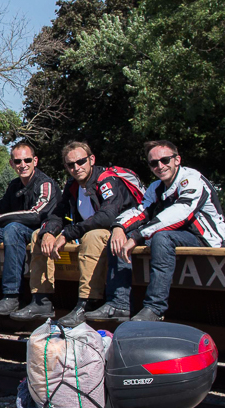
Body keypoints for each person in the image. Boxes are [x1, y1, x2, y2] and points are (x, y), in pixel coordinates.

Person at [11, 140, 144, 326]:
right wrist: (49, 231)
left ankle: (87, 302)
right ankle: (41, 300)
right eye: (70, 164)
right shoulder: (73, 184)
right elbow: (58, 212)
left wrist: (67, 234)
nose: (76, 167)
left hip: (120, 232)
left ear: (91, 159)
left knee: (93, 236)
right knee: (38, 235)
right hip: (88, 231)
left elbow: (107, 216)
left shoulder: (107, 180)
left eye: (80, 162)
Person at [110, 140, 225, 321]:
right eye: (153, 163)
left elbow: (180, 214)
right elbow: (141, 212)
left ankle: (154, 309)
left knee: (161, 237)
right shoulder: (156, 187)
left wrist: (138, 236)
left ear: (177, 160)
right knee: (119, 238)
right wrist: (118, 228)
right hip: (178, 235)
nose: (160, 166)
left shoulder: (192, 179)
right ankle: (119, 305)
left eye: (165, 160)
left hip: (207, 238)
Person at [0, 141, 56, 315]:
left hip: (40, 232)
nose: (23, 165)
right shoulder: (14, 186)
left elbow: (36, 215)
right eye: (18, 161)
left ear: (35, 161)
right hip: (15, 231)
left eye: (27, 160)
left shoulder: (45, 184)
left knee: (12, 228)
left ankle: (12, 296)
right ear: (11, 164)